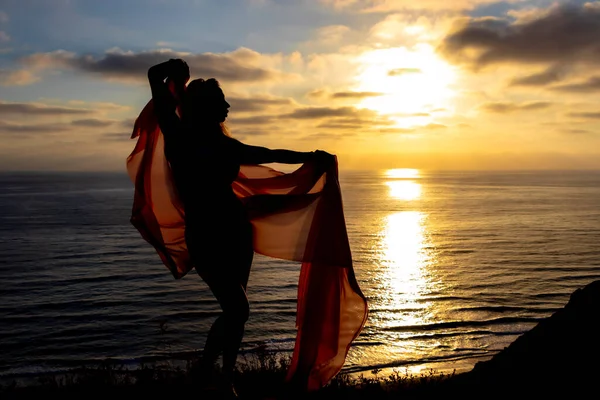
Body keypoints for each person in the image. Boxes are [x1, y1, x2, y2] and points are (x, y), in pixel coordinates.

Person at [147, 58, 334, 397]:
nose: (228, 106)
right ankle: (206, 372)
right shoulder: (179, 138)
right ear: (205, 107)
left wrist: (311, 156)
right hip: (205, 237)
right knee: (238, 308)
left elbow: (268, 152)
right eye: (221, 101)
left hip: (235, 232)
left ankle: (225, 378)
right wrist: (173, 69)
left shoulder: (225, 145)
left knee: (237, 313)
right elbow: (153, 79)